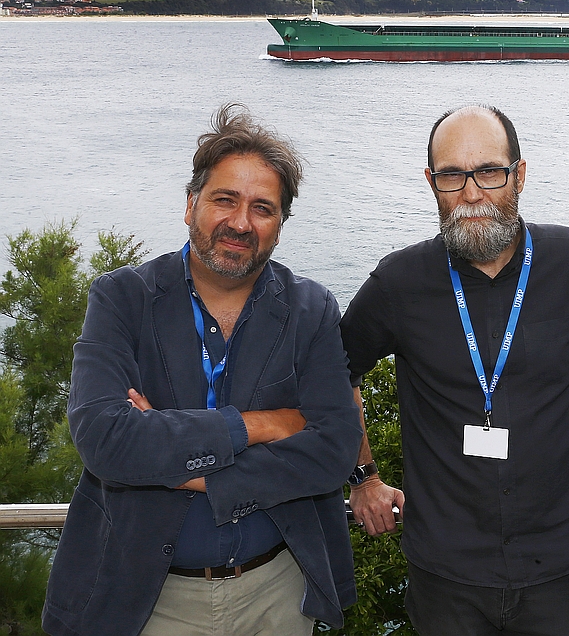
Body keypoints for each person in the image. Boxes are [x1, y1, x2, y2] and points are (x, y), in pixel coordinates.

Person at [42, 104, 363, 636]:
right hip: (147, 599)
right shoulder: (123, 299)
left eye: (263, 208)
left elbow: (334, 453)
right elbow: (104, 439)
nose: (240, 222)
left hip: (276, 596)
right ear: (191, 204)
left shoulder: (312, 310)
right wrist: (263, 426)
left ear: (280, 226)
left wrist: (175, 462)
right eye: (224, 200)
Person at [339, 104, 569, 635]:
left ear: (519, 174)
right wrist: (363, 476)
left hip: (556, 566)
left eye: (489, 172)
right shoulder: (398, 283)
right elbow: (334, 375)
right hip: (444, 571)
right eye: (451, 175)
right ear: (431, 183)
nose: (471, 194)